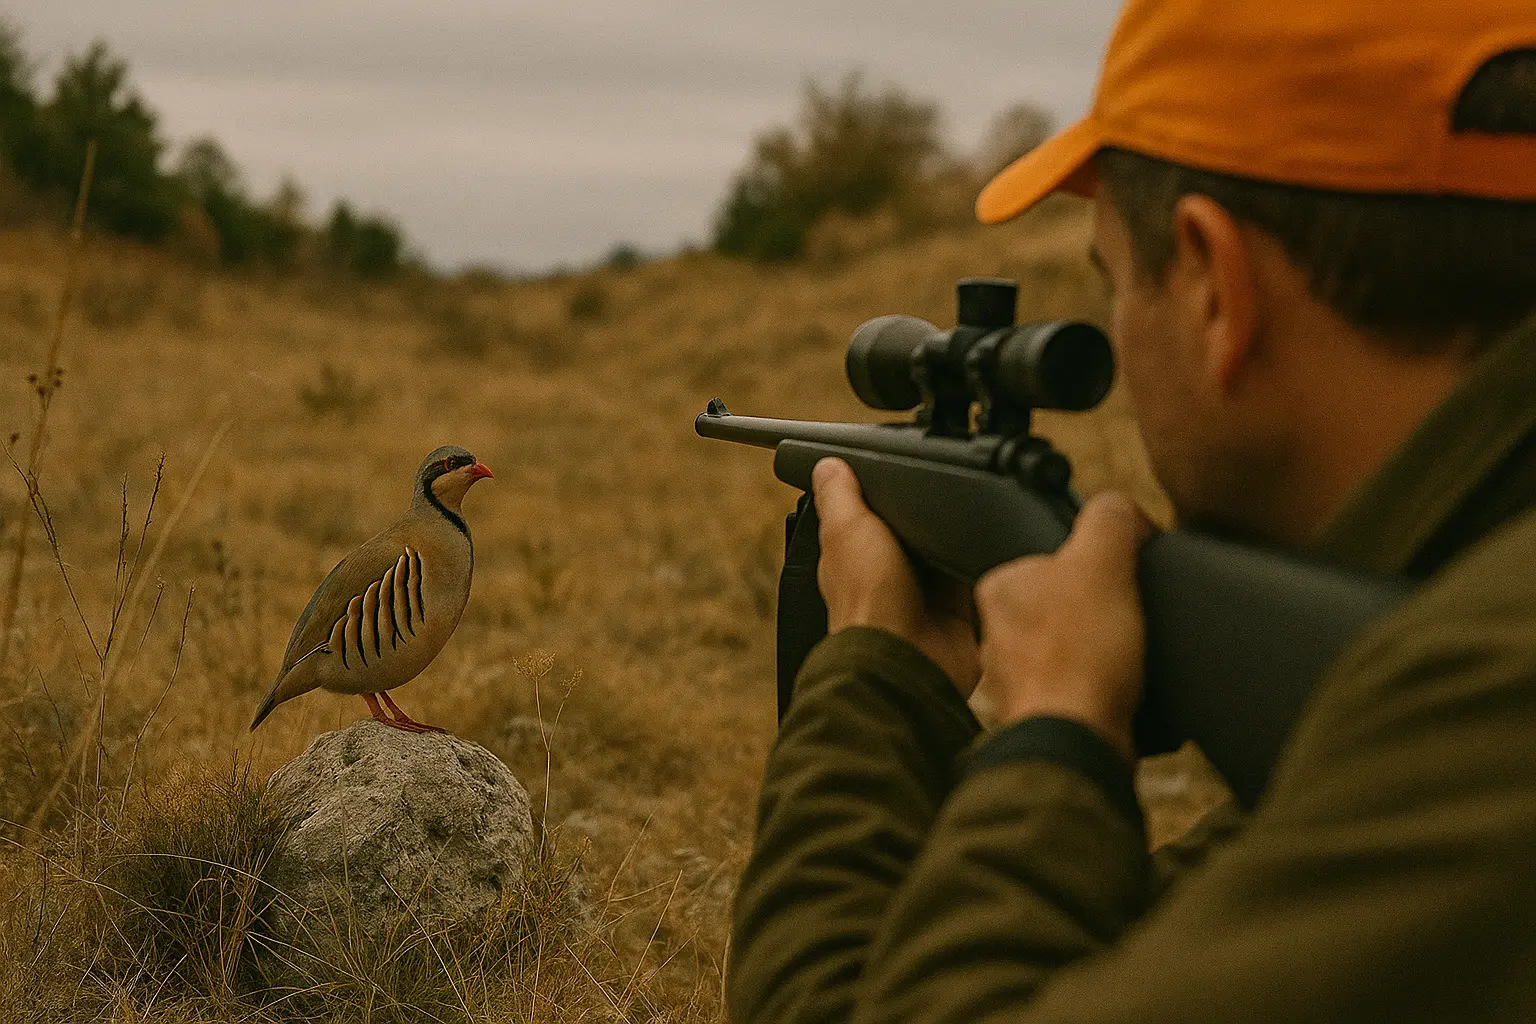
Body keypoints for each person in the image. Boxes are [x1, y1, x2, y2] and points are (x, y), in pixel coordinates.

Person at [726, 0, 1536, 1020]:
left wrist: (1019, 719)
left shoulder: (1485, 709)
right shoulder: (1439, 676)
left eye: (1117, 282)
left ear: (1212, 286)